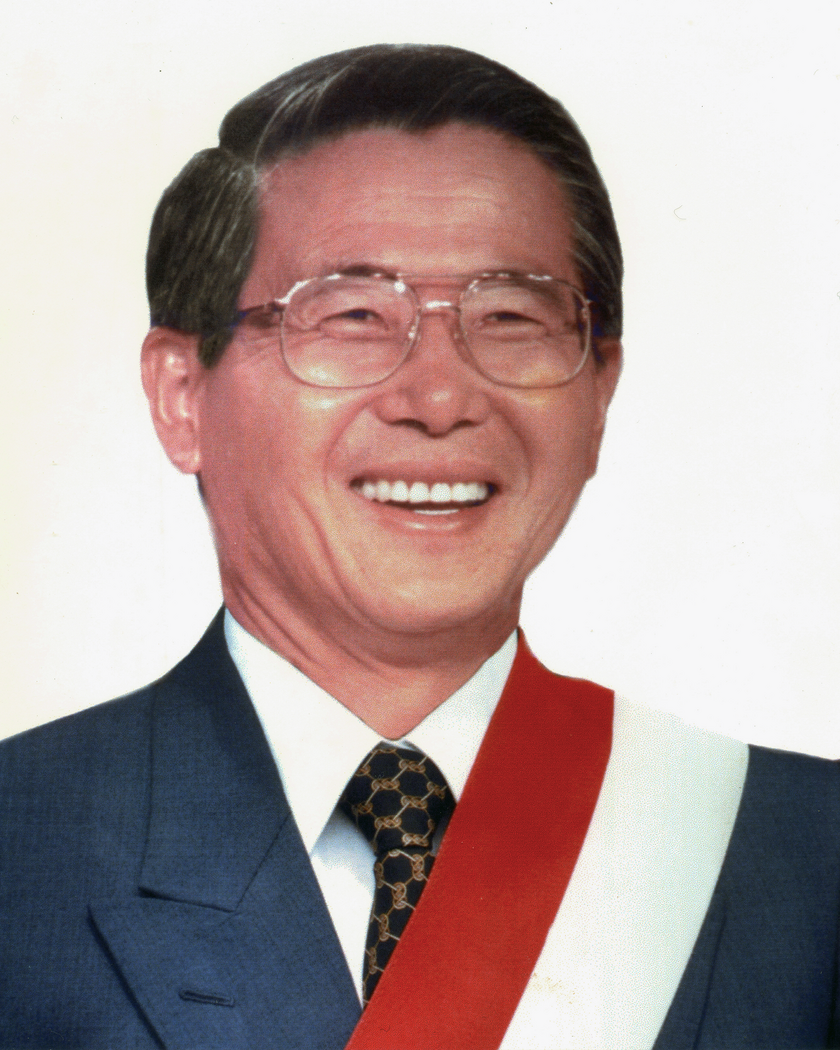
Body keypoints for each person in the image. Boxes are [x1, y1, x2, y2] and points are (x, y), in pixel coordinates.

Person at [1, 43, 838, 1050]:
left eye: (510, 316)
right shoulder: (21, 849)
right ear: (183, 398)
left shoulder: (802, 858)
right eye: (352, 316)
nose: (440, 397)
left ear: (599, 393)